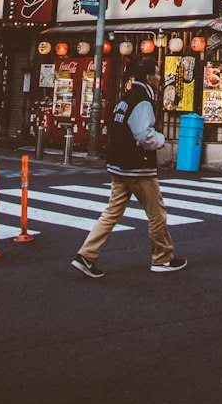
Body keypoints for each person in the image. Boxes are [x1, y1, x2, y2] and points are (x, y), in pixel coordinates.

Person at [71, 54, 186, 279]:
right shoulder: (143, 100)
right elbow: (143, 135)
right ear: (149, 77)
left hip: (118, 164)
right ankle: (162, 258)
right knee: (156, 213)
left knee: (112, 212)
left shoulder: (126, 97)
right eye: (157, 73)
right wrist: (161, 140)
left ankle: (86, 255)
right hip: (137, 167)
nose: (159, 77)